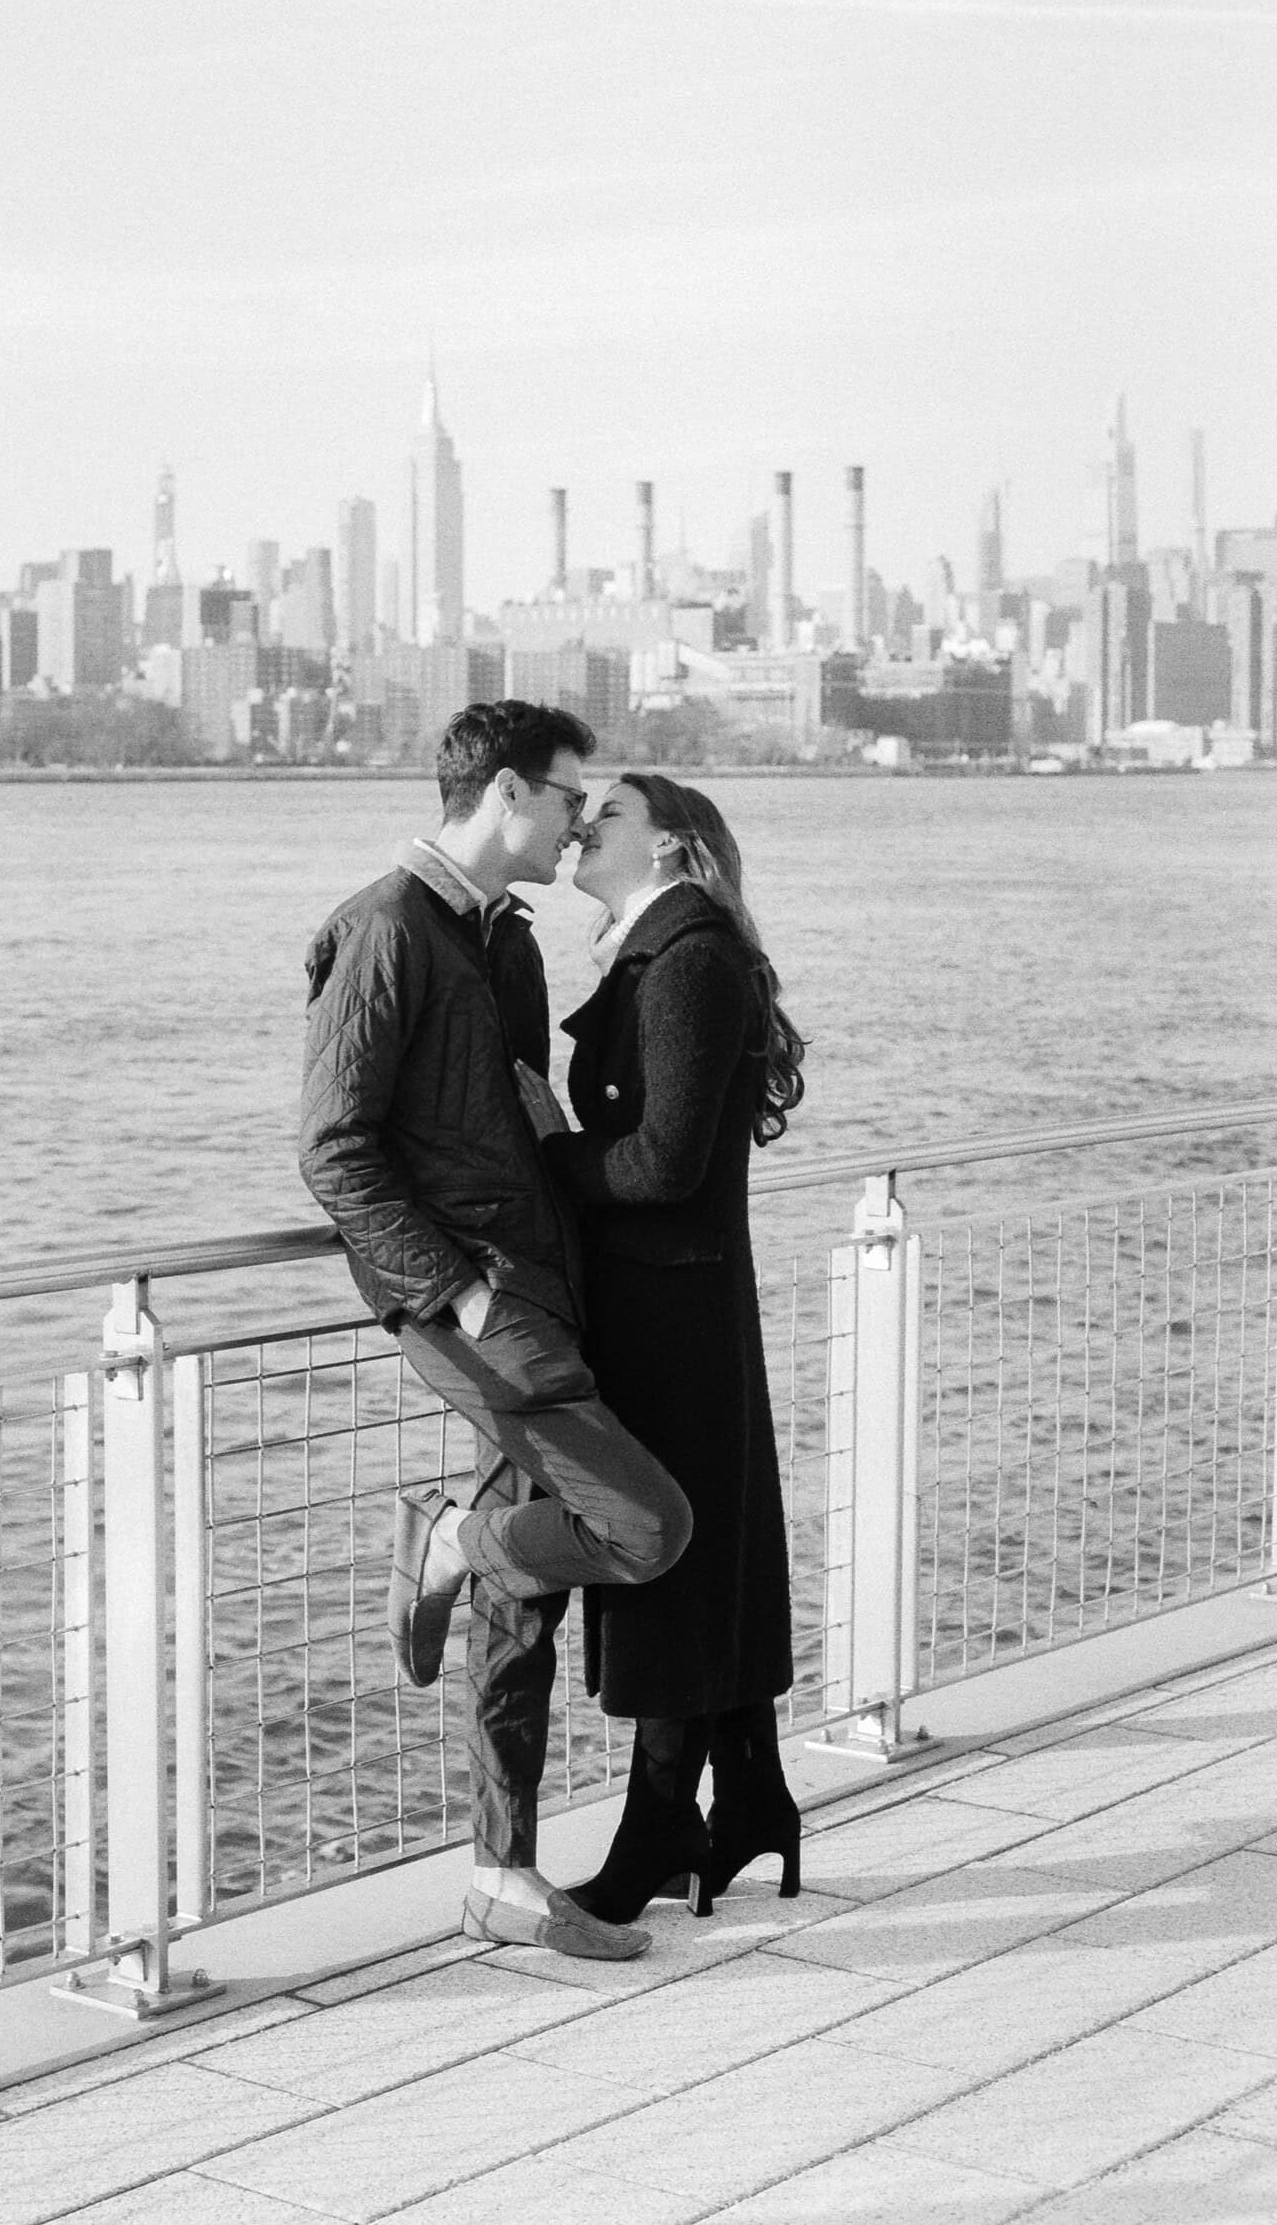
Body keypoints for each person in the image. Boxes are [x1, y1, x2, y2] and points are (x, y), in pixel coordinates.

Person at [298, 703, 693, 1960]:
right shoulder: (381, 931)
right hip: (472, 1307)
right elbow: (335, 1150)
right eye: (572, 799)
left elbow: (520, 1120)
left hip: (537, 1286)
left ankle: (501, 1872)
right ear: (511, 795)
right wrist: (457, 1292)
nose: (582, 821)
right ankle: (447, 1538)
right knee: (644, 1526)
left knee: (528, 1598)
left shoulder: (503, 941)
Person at [518, 772, 806, 1919]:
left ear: (674, 846)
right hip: (677, 1303)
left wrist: (549, 1150)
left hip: (671, 1313)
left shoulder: (685, 962)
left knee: (670, 1565)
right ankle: (747, 1799)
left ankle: (661, 1832)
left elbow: (659, 1165)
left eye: (611, 814)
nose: (584, 824)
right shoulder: (670, 951)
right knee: (705, 1556)